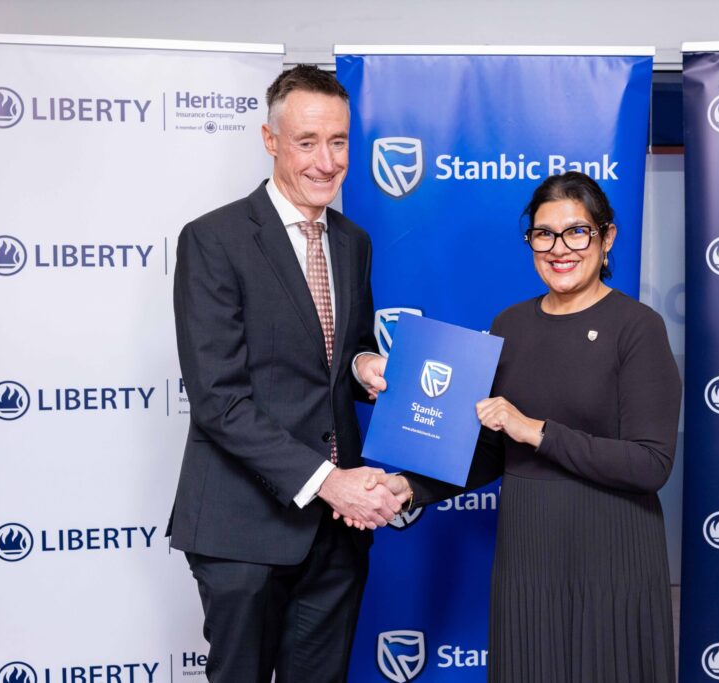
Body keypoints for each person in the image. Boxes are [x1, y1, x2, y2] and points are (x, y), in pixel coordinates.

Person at [363, 171, 682, 682]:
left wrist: (536, 430)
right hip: (529, 555)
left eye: (577, 232)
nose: (560, 248)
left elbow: (651, 463)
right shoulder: (510, 325)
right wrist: (407, 487)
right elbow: (487, 452)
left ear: (607, 237)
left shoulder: (638, 328)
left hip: (613, 552)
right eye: (543, 234)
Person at [167, 65, 402, 683]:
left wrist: (363, 364)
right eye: (307, 142)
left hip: (335, 535)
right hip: (244, 528)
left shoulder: (353, 241)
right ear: (271, 141)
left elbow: (339, 355)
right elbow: (219, 401)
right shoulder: (214, 240)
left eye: (339, 142)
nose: (327, 162)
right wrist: (329, 482)